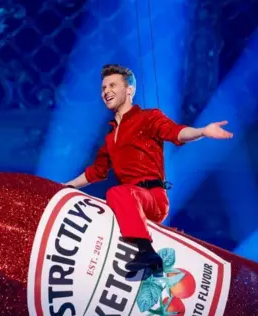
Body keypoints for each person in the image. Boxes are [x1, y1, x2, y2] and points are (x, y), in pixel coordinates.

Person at [64, 64, 233, 274]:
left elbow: (176, 133)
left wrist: (203, 131)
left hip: (152, 198)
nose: (106, 91)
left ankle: (147, 252)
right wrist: (67, 186)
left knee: (116, 192)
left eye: (112, 85)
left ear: (129, 90)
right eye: (103, 88)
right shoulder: (110, 138)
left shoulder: (149, 118)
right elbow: (96, 172)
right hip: (130, 203)